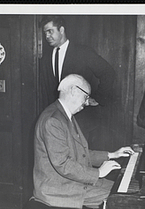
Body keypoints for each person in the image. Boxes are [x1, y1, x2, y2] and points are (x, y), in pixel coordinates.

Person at [32, 74, 145, 209]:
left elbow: (81, 154)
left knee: (124, 192)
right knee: (119, 201)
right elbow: (63, 165)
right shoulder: (53, 120)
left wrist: (112, 154)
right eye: (86, 98)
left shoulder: (64, 115)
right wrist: (99, 173)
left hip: (70, 180)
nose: (86, 103)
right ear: (74, 91)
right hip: (57, 187)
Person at [39, 15, 115, 145]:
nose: (47, 36)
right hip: (57, 121)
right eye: (45, 33)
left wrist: (97, 98)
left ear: (61, 30)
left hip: (82, 121)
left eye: (50, 31)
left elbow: (108, 73)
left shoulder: (83, 52)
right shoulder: (46, 58)